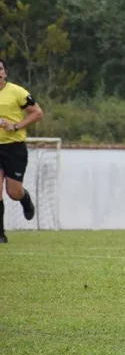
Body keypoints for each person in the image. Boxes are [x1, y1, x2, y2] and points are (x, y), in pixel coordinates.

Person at [0, 59, 45, 243]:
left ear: (5, 72)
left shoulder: (17, 92)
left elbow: (37, 113)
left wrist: (16, 126)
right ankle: (0, 234)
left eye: (0, 69)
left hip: (14, 148)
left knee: (13, 192)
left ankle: (25, 199)